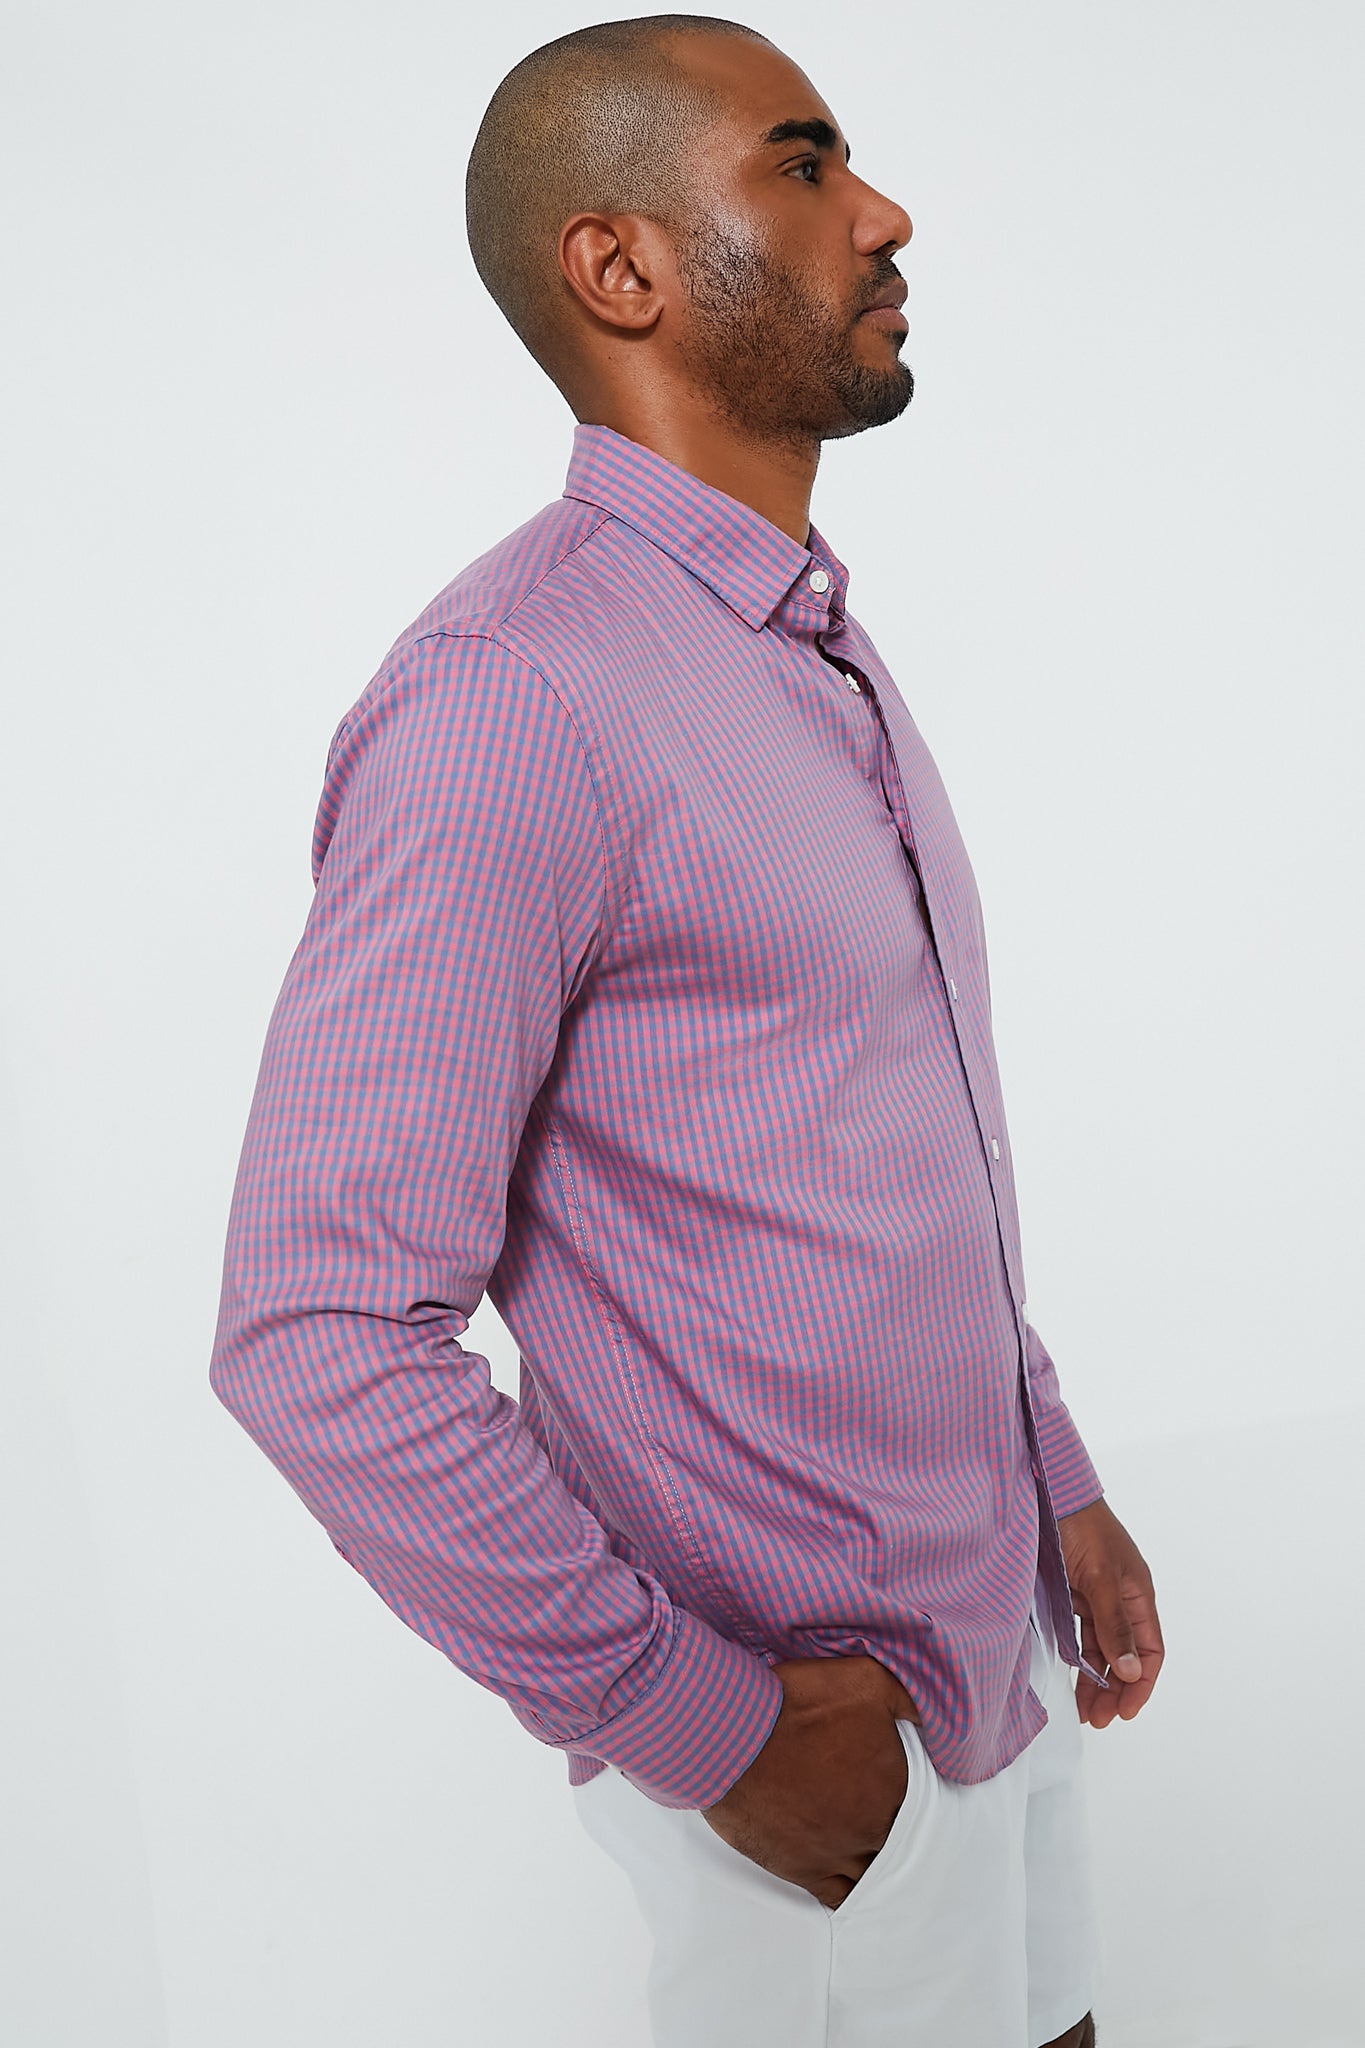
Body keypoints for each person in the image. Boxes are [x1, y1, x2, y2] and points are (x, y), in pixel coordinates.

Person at [209, 14, 1164, 2045]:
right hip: (816, 1757)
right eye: (804, 167)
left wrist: (1050, 1474)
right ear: (619, 267)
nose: (884, 215)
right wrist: (706, 1728)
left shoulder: (803, 643)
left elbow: (879, 1145)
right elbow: (315, 1327)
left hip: (986, 1647)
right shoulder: (513, 697)